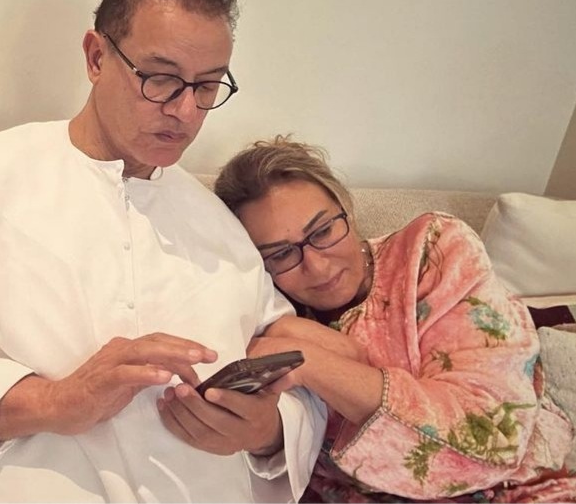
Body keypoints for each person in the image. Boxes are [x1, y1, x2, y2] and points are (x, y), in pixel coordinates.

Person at [0, 0, 325, 503]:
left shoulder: (222, 227)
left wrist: (265, 432)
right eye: (161, 79)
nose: (186, 111)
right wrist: (53, 402)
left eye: (207, 86)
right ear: (96, 57)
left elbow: (294, 377)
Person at [214, 136, 576, 502]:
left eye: (323, 231)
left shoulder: (430, 252)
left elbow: (492, 441)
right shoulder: (268, 318)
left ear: (346, 208)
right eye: (281, 255)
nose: (318, 267)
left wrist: (310, 362)